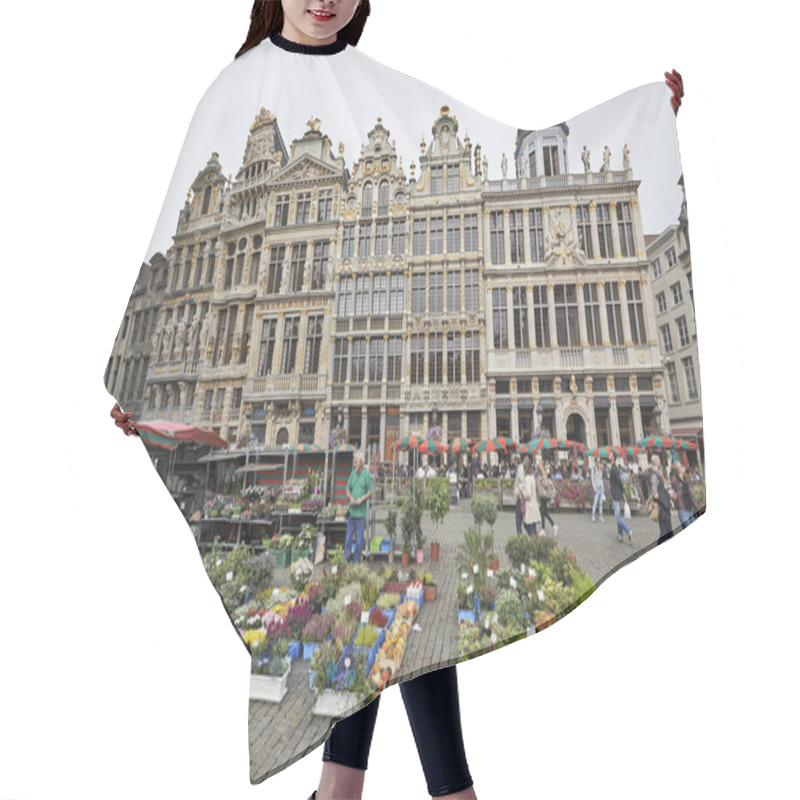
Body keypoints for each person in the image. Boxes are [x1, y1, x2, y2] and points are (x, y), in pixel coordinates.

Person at [108, 2, 685, 795]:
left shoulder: (370, 82)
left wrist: (647, 110)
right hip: (266, 380)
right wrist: (130, 387)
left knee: (387, 593)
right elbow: (169, 241)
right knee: (378, 596)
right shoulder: (234, 87)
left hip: (356, 401)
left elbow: (496, 126)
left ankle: (358, 789)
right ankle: (419, 790)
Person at [345, 449, 373, 564]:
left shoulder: (366, 475)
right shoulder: (352, 473)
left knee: (359, 540)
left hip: (361, 513)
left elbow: (370, 492)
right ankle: (346, 559)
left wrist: (362, 499)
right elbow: (347, 489)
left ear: (361, 462)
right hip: (352, 512)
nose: (354, 463)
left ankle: (356, 560)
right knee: (348, 538)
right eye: (354, 461)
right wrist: (350, 497)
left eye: (356, 461)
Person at [649, 454, 674, 546]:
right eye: (659, 460)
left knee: (667, 530)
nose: (660, 462)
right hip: (661, 507)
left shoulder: (657, 474)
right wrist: (663, 498)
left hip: (664, 506)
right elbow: (655, 494)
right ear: (656, 462)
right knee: (664, 531)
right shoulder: (653, 476)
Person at [609, 457, 633, 543]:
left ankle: (628, 531)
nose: (608, 455)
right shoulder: (613, 468)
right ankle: (620, 536)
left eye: (610, 454)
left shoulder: (614, 469)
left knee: (617, 516)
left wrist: (622, 493)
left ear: (613, 458)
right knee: (618, 515)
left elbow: (619, 482)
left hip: (616, 494)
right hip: (617, 493)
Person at [671, 461, 700, 529]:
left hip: (689, 508)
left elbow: (691, 495)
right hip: (682, 510)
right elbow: (673, 494)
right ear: (678, 470)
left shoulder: (685, 479)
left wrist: (696, 507)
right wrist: (673, 497)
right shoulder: (675, 481)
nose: (683, 467)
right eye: (681, 466)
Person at [536, 461, 558, 537]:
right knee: (543, 511)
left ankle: (546, 528)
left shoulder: (543, 473)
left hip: (543, 494)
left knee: (543, 511)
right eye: (539, 465)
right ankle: (550, 526)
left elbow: (546, 484)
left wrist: (540, 479)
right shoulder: (540, 473)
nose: (539, 466)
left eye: (540, 465)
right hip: (543, 494)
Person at [521, 457, 541, 536]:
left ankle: (535, 543)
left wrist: (522, 490)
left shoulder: (527, 478)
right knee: (533, 525)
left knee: (528, 525)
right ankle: (536, 542)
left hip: (529, 505)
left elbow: (528, 494)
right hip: (534, 504)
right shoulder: (532, 477)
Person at [513, 453, 525, 535]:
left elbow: (521, 482)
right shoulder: (520, 468)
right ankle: (519, 535)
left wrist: (520, 495)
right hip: (520, 498)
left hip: (520, 498)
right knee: (519, 519)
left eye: (514, 461)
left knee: (518, 520)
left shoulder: (520, 469)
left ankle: (520, 537)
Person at [590, 457, 605, 523]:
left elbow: (602, 479)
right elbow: (592, 479)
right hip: (596, 488)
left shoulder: (600, 470)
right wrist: (594, 488)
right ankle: (593, 516)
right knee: (595, 503)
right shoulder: (593, 470)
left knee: (600, 503)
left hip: (601, 487)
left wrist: (603, 488)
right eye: (598, 462)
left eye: (599, 462)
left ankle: (600, 516)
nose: (599, 463)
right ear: (595, 462)